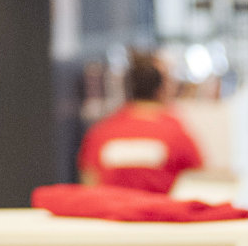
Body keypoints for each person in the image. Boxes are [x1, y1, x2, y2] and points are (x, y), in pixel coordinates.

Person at [78, 50, 202, 195]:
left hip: (112, 214)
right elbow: (198, 179)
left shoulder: (101, 132)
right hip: (158, 214)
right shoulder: (175, 132)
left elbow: (89, 182)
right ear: (161, 89)